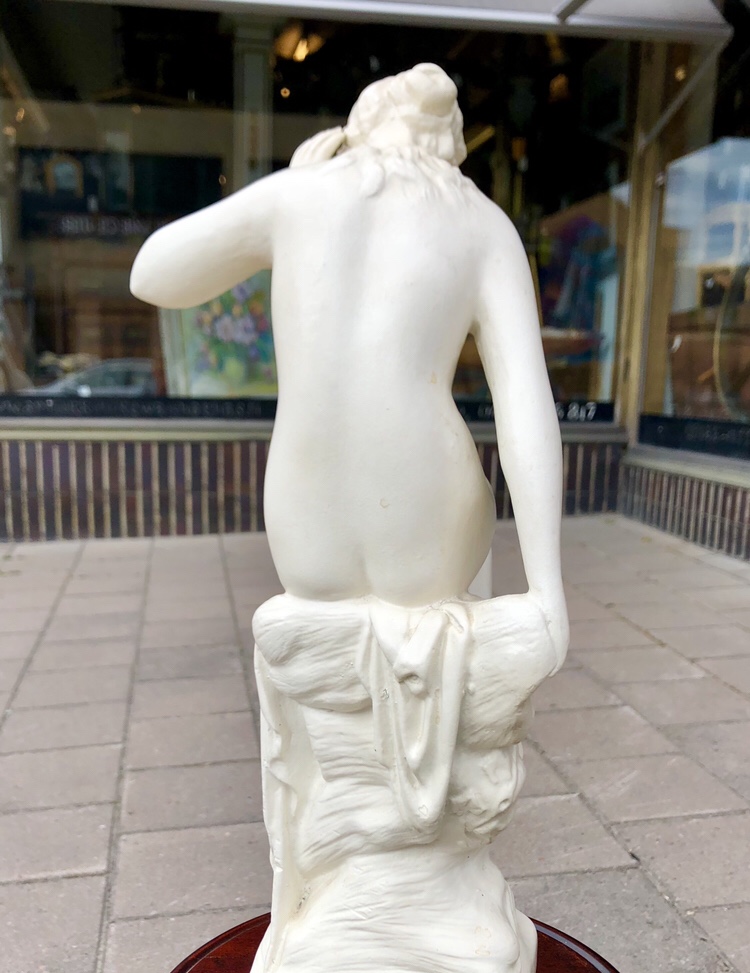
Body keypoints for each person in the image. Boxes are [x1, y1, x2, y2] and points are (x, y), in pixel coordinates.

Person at [130, 62, 568, 668]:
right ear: (452, 143)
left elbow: (150, 274)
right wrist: (547, 592)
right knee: (462, 569)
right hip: (428, 521)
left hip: (304, 527)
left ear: (357, 128)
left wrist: (289, 188)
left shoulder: (297, 194)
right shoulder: (485, 224)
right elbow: (525, 408)